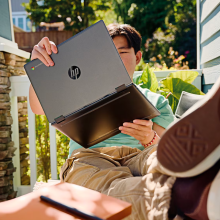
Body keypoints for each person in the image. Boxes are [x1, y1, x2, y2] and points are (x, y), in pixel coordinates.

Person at [30, 23, 220, 220]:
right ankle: (189, 193)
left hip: (139, 155)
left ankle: (194, 175)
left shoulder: (156, 101)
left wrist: (150, 138)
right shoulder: (77, 93)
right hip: (89, 159)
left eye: (120, 52)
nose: (112, 59)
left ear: (137, 57)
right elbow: (37, 108)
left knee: (158, 158)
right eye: (106, 53)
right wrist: (41, 68)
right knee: (112, 185)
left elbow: (166, 145)